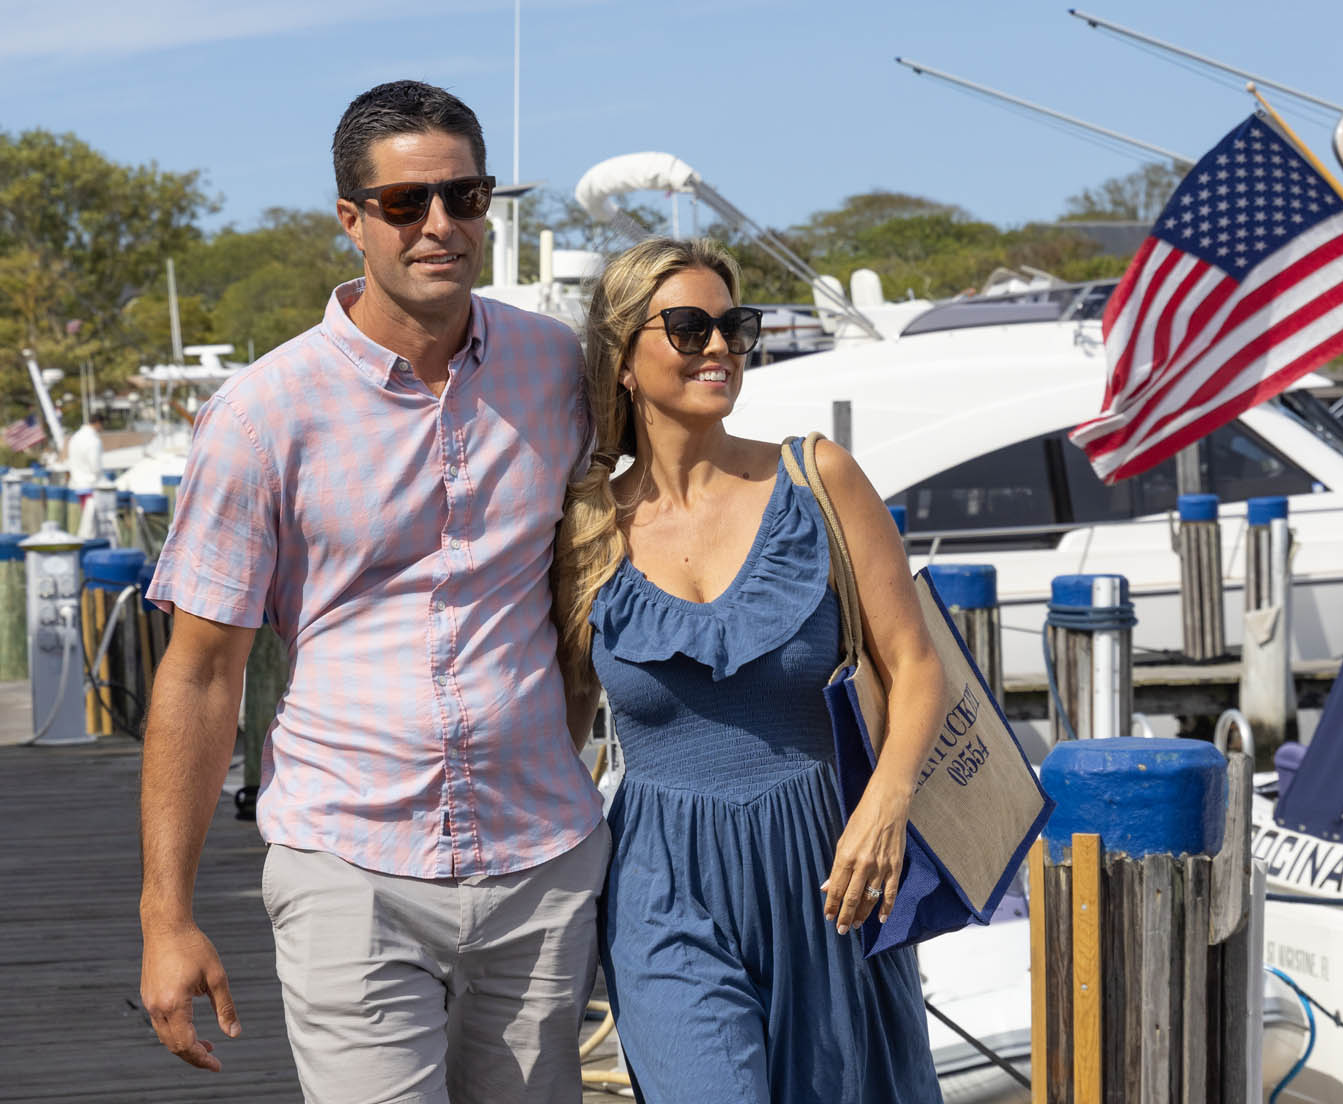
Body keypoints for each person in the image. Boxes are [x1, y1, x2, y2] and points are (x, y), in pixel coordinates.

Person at [139, 80, 605, 1104]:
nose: (439, 226)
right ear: (352, 220)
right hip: (349, 863)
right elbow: (204, 673)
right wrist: (165, 915)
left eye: (464, 197)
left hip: (542, 859)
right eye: (405, 204)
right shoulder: (262, 413)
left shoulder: (555, 367)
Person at [553, 237, 945, 1103]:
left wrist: (887, 802)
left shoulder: (818, 479)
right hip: (662, 883)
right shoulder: (584, 527)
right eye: (690, 328)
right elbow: (565, 725)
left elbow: (915, 664)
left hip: (830, 867)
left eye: (736, 326)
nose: (720, 347)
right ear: (623, 357)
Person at [66, 411, 103, 508]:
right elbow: (95, 466)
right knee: (91, 520)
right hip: (90, 487)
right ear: (98, 423)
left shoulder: (75, 437)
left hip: (76, 486)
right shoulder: (93, 440)